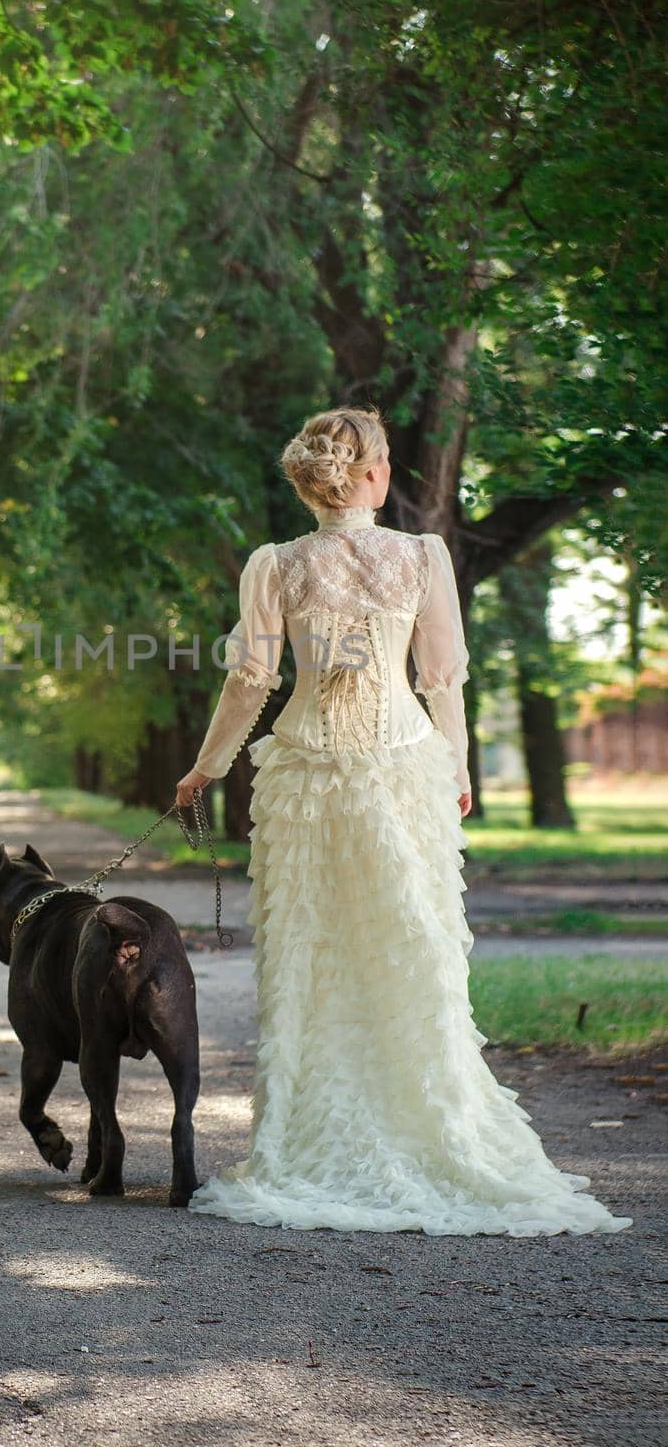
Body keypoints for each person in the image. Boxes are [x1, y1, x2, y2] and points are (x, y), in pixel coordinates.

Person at [174, 405, 632, 1237]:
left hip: (306, 774)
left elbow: (250, 682)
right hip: (405, 769)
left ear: (310, 481)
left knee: (312, 949)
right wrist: (456, 770)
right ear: (374, 475)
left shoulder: (273, 565)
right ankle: (431, 1123)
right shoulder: (422, 555)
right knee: (413, 945)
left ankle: (306, 1141)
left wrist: (204, 769)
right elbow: (442, 680)